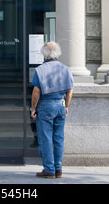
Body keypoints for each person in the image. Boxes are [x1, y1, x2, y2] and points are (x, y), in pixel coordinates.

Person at [30, 41, 74, 179]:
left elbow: (36, 91)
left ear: (44, 53)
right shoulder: (65, 69)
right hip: (60, 105)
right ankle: (58, 168)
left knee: (46, 138)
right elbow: (70, 90)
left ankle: (49, 169)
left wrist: (33, 108)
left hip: (46, 105)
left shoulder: (40, 70)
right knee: (59, 138)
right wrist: (66, 106)